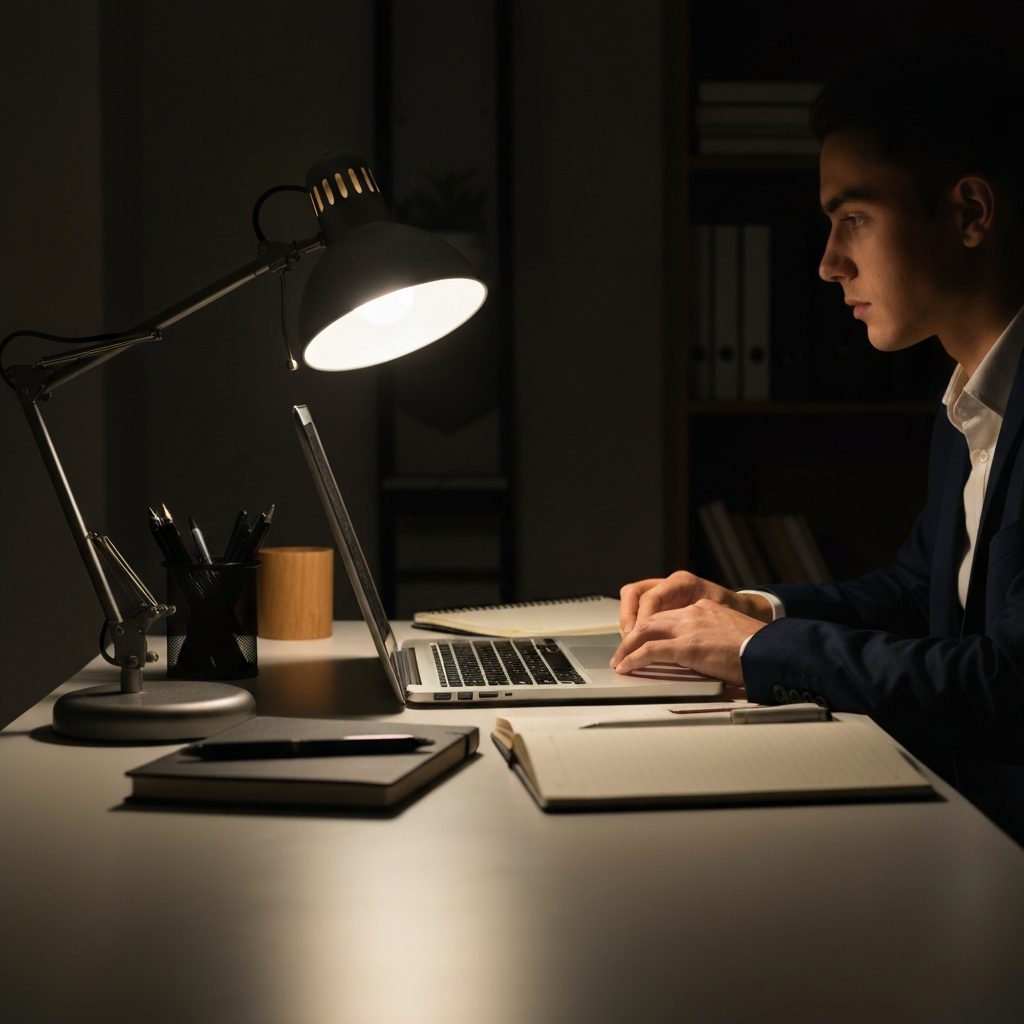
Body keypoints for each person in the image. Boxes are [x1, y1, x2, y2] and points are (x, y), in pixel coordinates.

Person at [612, 38, 1024, 843]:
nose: (831, 264)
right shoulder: (973, 399)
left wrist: (762, 649)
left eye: (856, 219)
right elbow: (920, 593)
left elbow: (1009, 687)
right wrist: (750, 607)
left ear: (970, 213)